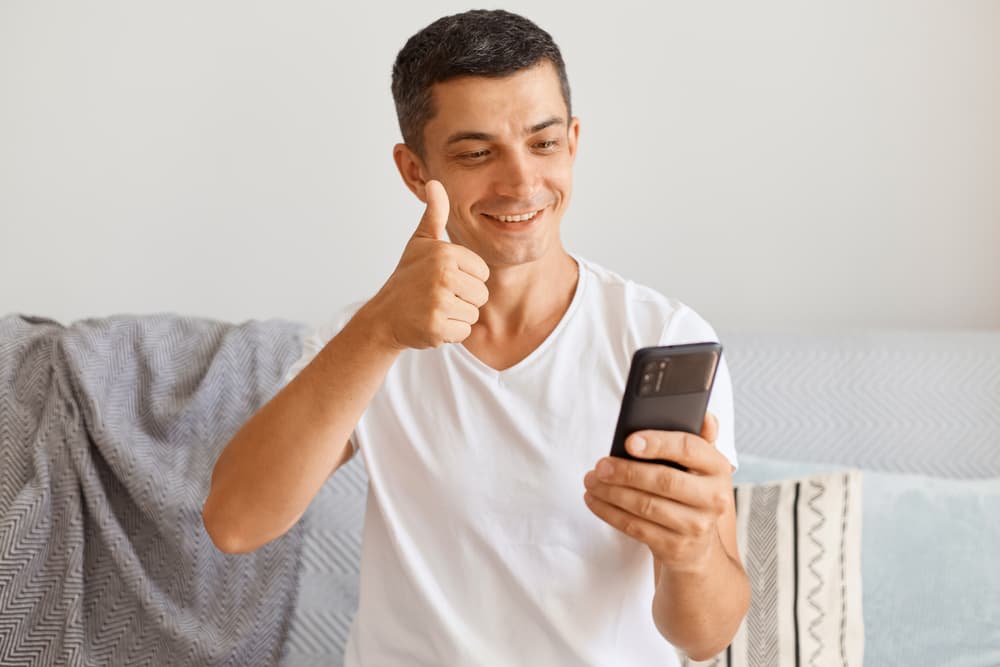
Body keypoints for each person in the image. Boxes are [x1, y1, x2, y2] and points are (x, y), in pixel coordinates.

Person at [203, 9, 750, 665]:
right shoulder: (368, 337)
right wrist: (378, 330)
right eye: (476, 152)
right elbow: (235, 522)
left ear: (574, 142)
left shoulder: (659, 336)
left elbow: (704, 635)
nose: (521, 181)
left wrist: (689, 552)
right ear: (415, 172)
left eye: (543, 144)